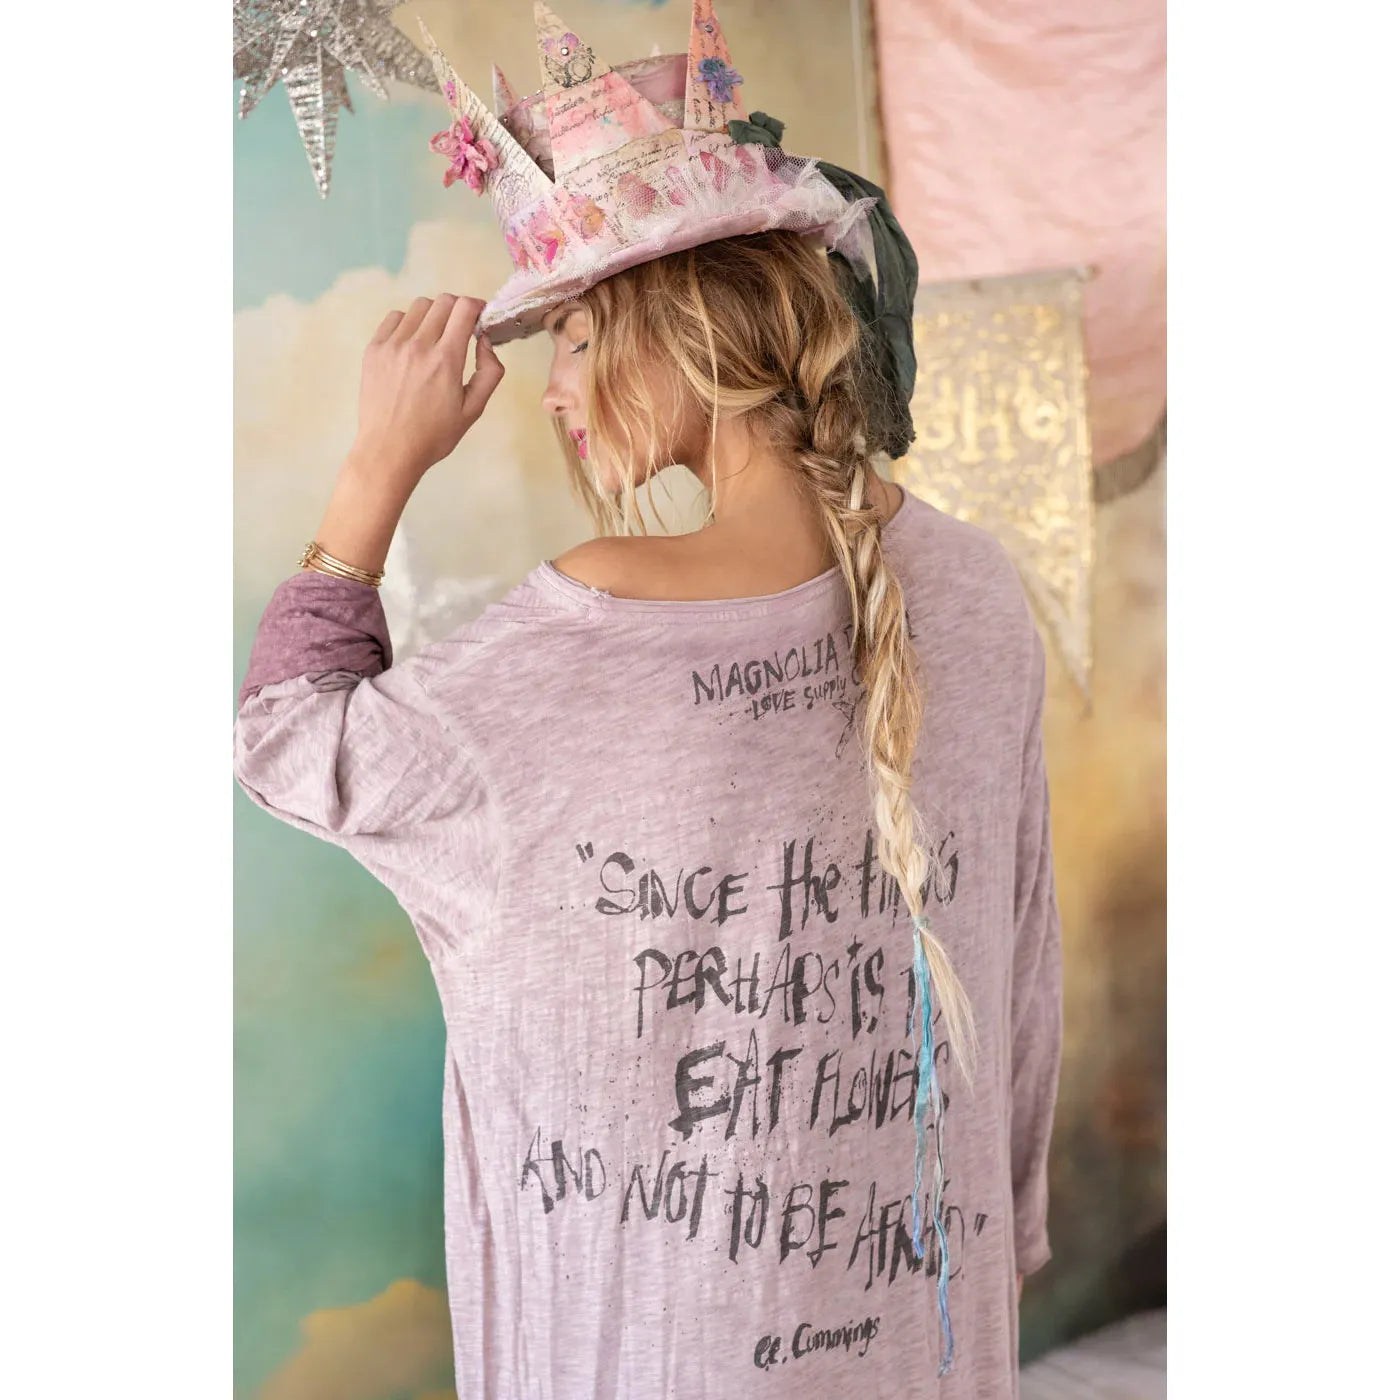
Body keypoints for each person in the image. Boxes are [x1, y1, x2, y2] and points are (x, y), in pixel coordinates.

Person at [233, 6, 1061, 1397]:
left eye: (572, 338)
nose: (553, 394)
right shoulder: (978, 588)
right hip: (929, 1336)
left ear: (679, 333)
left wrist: (378, 463)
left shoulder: (597, 620)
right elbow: (1021, 975)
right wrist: (1005, 1242)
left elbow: (286, 740)